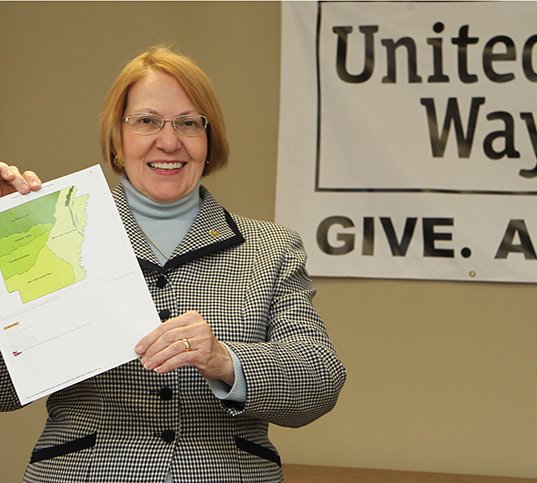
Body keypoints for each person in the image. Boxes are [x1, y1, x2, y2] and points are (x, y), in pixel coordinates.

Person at [0, 46, 346, 483]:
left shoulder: (271, 249)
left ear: (209, 140)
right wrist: (10, 244)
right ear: (117, 140)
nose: (169, 141)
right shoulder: (52, 236)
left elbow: (318, 380)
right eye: (146, 121)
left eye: (188, 123)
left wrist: (226, 360)